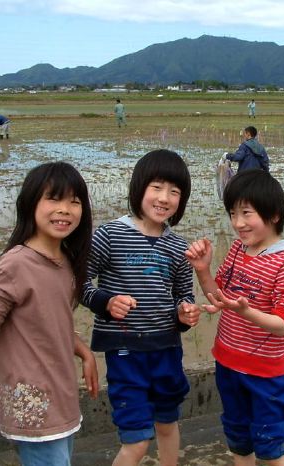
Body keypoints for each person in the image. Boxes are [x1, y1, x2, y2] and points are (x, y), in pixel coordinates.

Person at [0, 161, 99, 464]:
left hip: (63, 395)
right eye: (53, 199)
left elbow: (52, 323)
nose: (65, 209)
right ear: (30, 204)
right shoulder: (16, 264)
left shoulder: (67, 261)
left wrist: (84, 352)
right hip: (33, 405)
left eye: (74, 201)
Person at [81, 149, 200, 466]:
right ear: (139, 189)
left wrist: (186, 313)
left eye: (174, 192)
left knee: (167, 422)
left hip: (167, 350)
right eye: (157, 187)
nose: (165, 198)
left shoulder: (179, 247)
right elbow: (78, 283)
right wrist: (106, 302)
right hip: (124, 354)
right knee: (136, 439)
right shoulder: (110, 235)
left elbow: (182, 296)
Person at [185, 169, 284, 466]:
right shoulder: (239, 250)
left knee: (271, 446)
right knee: (239, 443)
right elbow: (218, 296)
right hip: (227, 364)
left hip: (264, 375)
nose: (238, 223)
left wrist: (245, 311)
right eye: (233, 213)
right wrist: (202, 269)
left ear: (274, 214)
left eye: (247, 213)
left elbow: (283, 326)